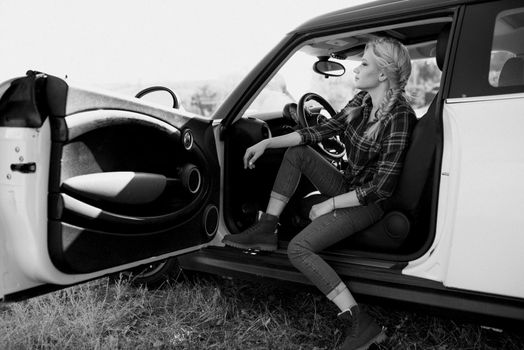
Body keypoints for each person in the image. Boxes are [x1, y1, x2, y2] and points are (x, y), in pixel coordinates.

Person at [222, 36, 416, 349]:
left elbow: (381, 188)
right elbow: (318, 132)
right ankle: (267, 228)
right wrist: (267, 142)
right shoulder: (361, 102)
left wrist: (330, 205)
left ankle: (361, 323)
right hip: (348, 184)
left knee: (300, 249)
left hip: (370, 202)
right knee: (297, 154)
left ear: (382, 74)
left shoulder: (400, 116)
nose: (356, 69)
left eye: (364, 63)